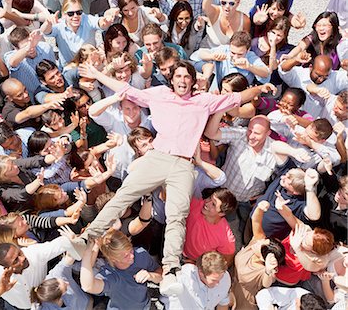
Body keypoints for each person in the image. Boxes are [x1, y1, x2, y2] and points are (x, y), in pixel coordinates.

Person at [78, 59, 276, 295]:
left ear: (192, 81)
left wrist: (260, 88)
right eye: (178, 76)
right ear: (172, 79)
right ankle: (87, 237)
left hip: (183, 164)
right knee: (123, 196)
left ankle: (170, 269)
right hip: (157, 157)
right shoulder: (159, 93)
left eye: (187, 77)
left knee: (177, 216)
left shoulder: (204, 101)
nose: (182, 80)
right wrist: (96, 73)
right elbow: (126, 90)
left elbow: (238, 98)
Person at [0, 226, 85, 309]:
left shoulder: (34, 253)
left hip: (44, 300)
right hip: (17, 308)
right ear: (5, 267)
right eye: (15, 261)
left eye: (20, 253)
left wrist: (76, 242)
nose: (22, 259)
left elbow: (62, 243)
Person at [80, 229, 162, 310]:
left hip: (145, 305)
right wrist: (88, 252)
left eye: (131, 250)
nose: (132, 256)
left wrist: (151, 276)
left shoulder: (141, 254)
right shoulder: (110, 276)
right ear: (113, 259)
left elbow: (160, 273)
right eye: (126, 256)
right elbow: (88, 287)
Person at [233, 200, 286, 310]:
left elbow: (267, 283)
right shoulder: (258, 241)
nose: (260, 241)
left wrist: (268, 270)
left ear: (263, 257)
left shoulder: (266, 271)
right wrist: (260, 208)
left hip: (244, 300)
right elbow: (256, 222)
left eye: (262, 244)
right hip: (231, 282)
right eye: (265, 240)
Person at [41, 0, 118, 67]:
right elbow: (45, 31)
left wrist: (105, 21)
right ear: (64, 14)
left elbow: (100, 23)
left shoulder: (87, 19)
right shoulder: (60, 24)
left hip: (90, 66)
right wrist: (48, 22)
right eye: (71, 14)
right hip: (69, 68)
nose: (75, 16)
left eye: (79, 12)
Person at [278, 53, 348, 120]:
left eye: (326, 76)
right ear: (311, 67)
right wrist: (295, 60)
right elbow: (283, 69)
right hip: (290, 118)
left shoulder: (334, 77)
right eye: (318, 75)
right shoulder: (299, 74)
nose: (321, 79)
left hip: (315, 125)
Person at [182, 188, 237, 265]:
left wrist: (199, 265)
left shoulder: (226, 238)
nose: (207, 203)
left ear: (221, 213)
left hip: (194, 264)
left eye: (213, 204)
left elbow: (225, 262)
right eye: (210, 198)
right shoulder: (196, 203)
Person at [197, 30, 271, 85]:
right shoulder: (224, 49)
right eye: (233, 52)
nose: (235, 57)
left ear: (248, 50)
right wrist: (212, 56)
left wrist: (249, 67)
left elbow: (266, 73)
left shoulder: (251, 57)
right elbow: (200, 54)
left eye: (240, 54)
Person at [164, 251, 231, 309]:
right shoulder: (182, 277)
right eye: (214, 280)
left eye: (220, 278)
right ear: (201, 273)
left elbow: (223, 303)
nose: (218, 284)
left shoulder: (225, 278)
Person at [4, 27, 55, 100]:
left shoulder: (45, 48)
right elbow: (12, 62)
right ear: (16, 49)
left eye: (31, 43)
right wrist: (28, 47)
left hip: (53, 93)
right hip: (31, 101)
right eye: (26, 46)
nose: (31, 48)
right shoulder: (10, 56)